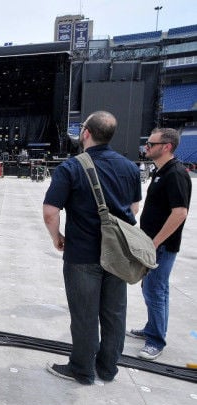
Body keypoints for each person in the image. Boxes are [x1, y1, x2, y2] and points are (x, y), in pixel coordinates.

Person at [43, 111, 142, 384]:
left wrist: (57, 237)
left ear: (86, 133)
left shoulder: (71, 168)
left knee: (85, 315)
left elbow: (50, 211)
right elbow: (133, 208)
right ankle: (108, 368)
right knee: (114, 314)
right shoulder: (130, 168)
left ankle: (82, 370)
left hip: (83, 254)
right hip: (119, 254)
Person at [127, 128, 192, 361]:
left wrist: (155, 242)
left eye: (152, 144)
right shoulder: (160, 171)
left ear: (166, 147)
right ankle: (151, 328)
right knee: (150, 288)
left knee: (156, 290)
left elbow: (180, 213)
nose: (147, 147)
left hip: (161, 246)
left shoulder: (175, 174)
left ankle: (156, 341)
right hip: (152, 243)